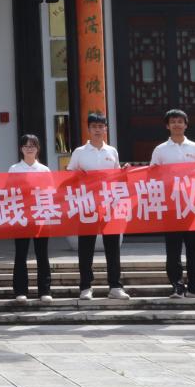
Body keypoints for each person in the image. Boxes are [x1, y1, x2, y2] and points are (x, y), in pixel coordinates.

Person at [67, 113, 130, 301]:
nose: (97, 130)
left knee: (113, 247)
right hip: (87, 205)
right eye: (94, 126)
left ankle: (115, 286)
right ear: (88, 129)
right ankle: (86, 286)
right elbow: (68, 176)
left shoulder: (112, 151)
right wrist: (77, 176)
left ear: (105, 129)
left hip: (109, 204)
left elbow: (117, 176)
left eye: (100, 126)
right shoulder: (79, 152)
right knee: (86, 247)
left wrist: (124, 171)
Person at [150, 109, 195, 299]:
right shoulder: (160, 150)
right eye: (173, 121)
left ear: (186, 124)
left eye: (180, 121)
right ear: (167, 126)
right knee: (173, 249)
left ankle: (194, 286)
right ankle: (177, 285)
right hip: (171, 205)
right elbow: (152, 175)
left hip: (192, 205)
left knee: (194, 248)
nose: (177, 124)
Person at [8, 133, 53, 303]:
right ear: (21, 149)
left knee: (42, 254)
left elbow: (50, 192)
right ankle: (20, 290)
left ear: (37, 149)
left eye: (32, 146)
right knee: (21, 254)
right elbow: (9, 192)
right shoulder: (14, 169)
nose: (29, 149)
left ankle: (45, 290)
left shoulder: (44, 170)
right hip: (21, 216)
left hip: (40, 216)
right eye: (26, 146)